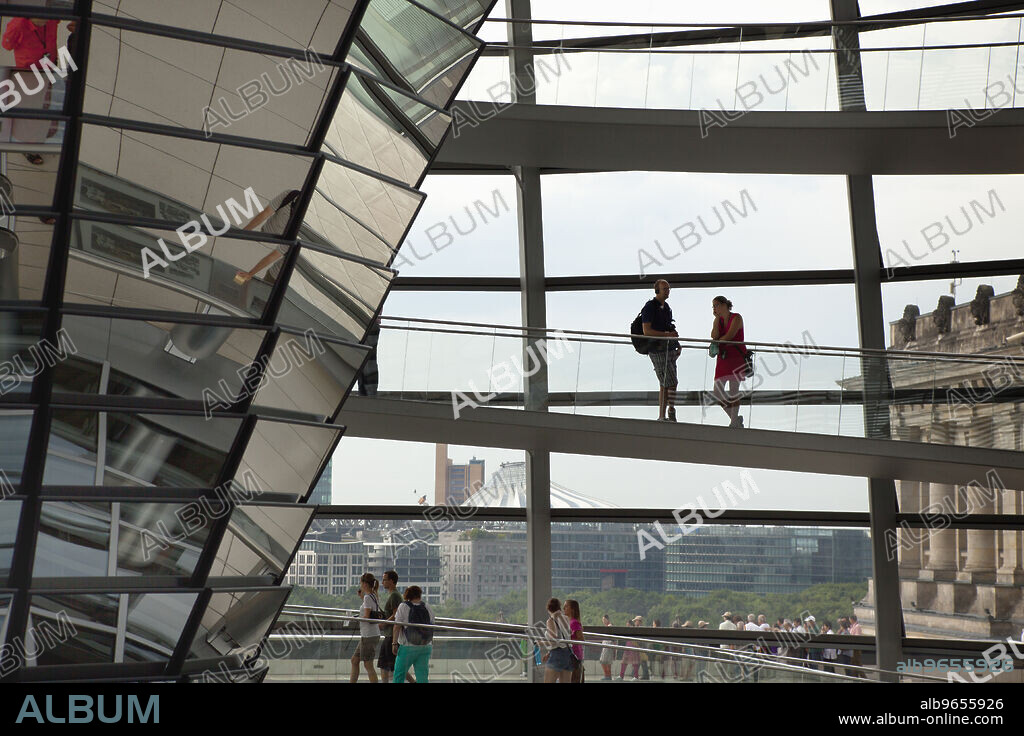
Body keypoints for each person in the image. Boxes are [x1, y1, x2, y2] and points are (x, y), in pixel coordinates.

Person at [234, 189, 302, 285]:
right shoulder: (290, 195)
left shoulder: (298, 231)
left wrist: (250, 274)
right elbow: (266, 212)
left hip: (277, 272)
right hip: (266, 235)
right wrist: (245, 232)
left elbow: (273, 256)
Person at [641, 279, 680, 422]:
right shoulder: (650, 307)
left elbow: (669, 327)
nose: (667, 291)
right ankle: (669, 411)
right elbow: (647, 331)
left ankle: (664, 414)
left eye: (668, 288)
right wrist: (667, 336)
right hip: (657, 349)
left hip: (668, 348)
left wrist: (676, 343)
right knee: (670, 382)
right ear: (657, 291)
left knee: (666, 383)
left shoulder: (667, 307)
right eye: (665, 289)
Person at [710, 295, 747, 428]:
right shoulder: (718, 321)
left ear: (724, 305)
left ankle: (733, 422)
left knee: (733, 390)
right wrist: (715, 321)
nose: (714, 308)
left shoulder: (736, 317)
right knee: (717, 391)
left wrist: (718, 341)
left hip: (735, 357)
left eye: (716, 305)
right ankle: (734, 418)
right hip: (723, 358)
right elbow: (714, 336)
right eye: (713, 306)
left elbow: (729, 336)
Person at [391, 585, 434, 683]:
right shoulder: (427, 606)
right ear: (419, 594)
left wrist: (394, 643)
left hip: (408, 646)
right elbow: (432, 625)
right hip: (425, 646)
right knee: (422, 677)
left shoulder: (403, 606)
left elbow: (397, 626)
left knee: (399, 674)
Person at [377, 570, 413, 684]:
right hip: (390, 634)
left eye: (385, 580)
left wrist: (384, 623)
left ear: (391, 581)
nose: (382, 582)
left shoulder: (395, 595)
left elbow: (396, 614)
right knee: (387, 664)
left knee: (393, 665)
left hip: (392, 635)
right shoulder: (393, 595)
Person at [351, 572, 382, 683]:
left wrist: (356, 619)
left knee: (368, 664)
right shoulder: (374, 595)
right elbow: (369, 610)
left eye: (361, 583)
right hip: (370, 634)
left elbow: (367, 617)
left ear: (364, 584)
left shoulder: (368, 597)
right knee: (355, 660)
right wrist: (362, 598)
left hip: (368, 635)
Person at [541, 597, 574, 683]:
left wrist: (540, 643)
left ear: (548, 608)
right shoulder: (566, 618)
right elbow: (566, 636)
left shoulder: (551, 620)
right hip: (568, 654)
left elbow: (554, 640)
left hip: (556, 654)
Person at [564, 600, 585, 683]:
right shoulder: (568, 622)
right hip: (570, 655)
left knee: (574, 679)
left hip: (575, 656)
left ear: (572, 609)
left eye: (566, 606)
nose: (564, 608)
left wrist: (570, 640)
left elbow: (581, 638)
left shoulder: (574, 623)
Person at [598, 614, 615, 680]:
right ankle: (608, 675)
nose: (603, 621)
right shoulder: (607, 626)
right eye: (603, 620)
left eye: (604, 619)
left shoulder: (609, 626)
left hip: (608, 644)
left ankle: (607, 675)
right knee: (606, 661)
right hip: (606, 644)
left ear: (607, 619)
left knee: (604, 660)